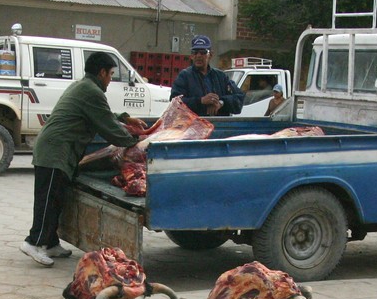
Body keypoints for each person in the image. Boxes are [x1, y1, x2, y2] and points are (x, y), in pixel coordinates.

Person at [20, 52, 146, 267]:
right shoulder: (91, 91)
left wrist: (125, 118)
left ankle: (50, 242)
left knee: (58, 199)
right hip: (54, 151)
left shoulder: (83, 86)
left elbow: (102, 113)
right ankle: (33, 242)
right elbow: (108, 127)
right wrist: (135, 141)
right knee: (47, 200)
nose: (110, 80)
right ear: (102, 72)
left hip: (59, 151)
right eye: (111, 74)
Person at [170, 35, 244, 116]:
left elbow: (239, 99)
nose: (198, 56)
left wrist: (221, 102)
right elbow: (174, 103)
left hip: (219, 123)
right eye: (195, 52)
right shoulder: (184, 76)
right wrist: (201, 101)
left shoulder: (221, 76)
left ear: (210, 55)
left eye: (203, 52)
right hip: (194, 123)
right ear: (191, 56)